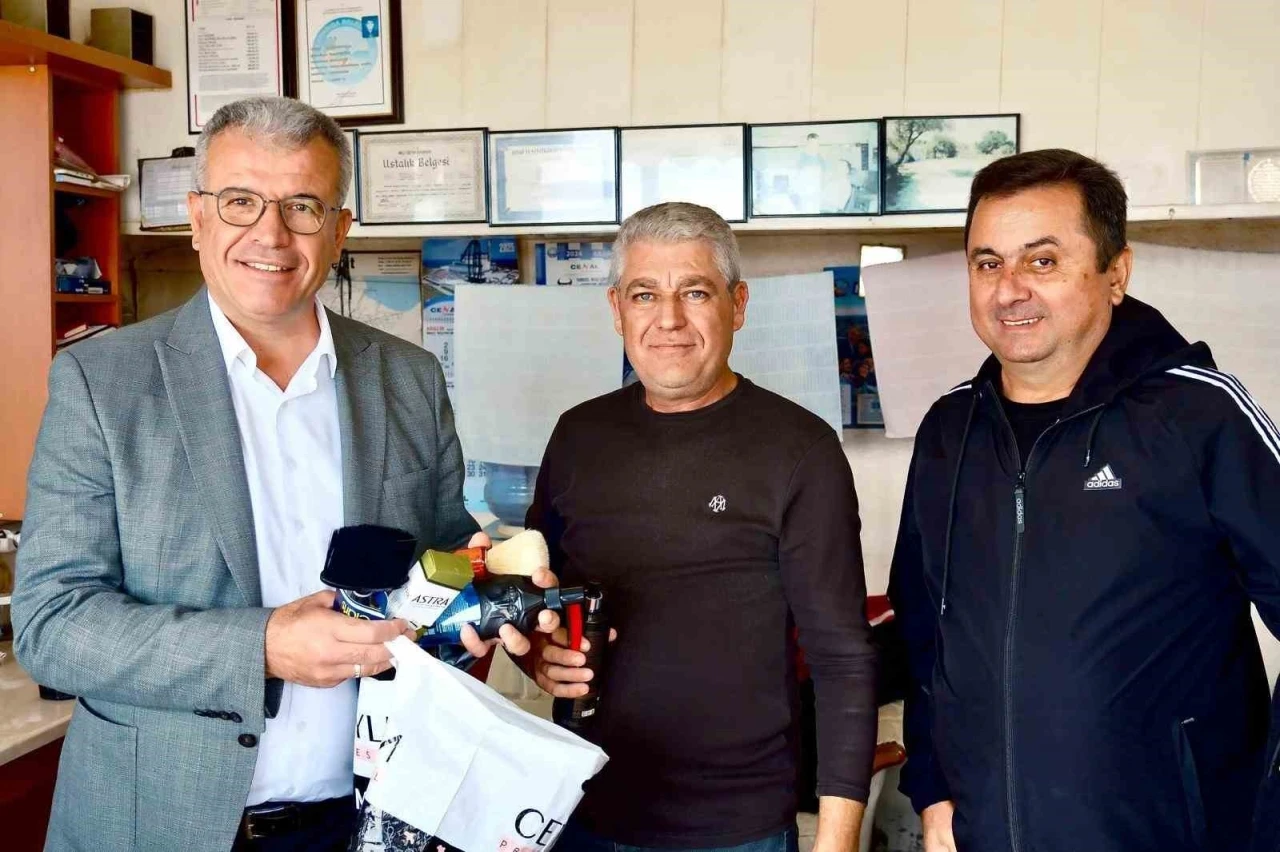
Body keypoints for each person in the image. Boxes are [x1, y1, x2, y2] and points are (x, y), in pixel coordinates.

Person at [12, 96, 555, 852]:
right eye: (241, 201)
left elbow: (442, 560)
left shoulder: (409, 378)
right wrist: (261, 646)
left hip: (371, 819)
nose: (270, 234)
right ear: (197, 216)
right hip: (161, 824)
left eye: (302, 206)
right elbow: (51, 625)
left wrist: (496, 599)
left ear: (339, 229)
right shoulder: (102, 383)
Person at [888, 148, 1280, 852]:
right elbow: (924, 633)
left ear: (1115, 273)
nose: (1009, 290)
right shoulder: (950, 432)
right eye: (987, 263)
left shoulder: (1199, 416)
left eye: (1042, 261)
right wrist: (934, 790)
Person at [526, 202, 878, 852]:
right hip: (577, 811)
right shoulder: (578, 436)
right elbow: (538, 596)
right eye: (644, 294)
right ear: (616, 310)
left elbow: (842, 659)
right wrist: (539, 655)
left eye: (695, 292)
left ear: (737, 306)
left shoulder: (799, 450)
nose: (669, 320)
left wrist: (836, 841)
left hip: (735, 828)